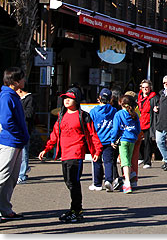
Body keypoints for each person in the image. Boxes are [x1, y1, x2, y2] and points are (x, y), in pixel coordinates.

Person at [38, 87, 103, 223]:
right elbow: (55, 133)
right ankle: (74, 209)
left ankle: (77, 210)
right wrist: (47, 148)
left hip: (77, 152)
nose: (66, 100)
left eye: (70, 98)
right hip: (65, 153)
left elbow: (92, 134)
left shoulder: (83, 116)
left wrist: (97, 151)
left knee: (74, 182)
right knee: (68, 182)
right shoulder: (62, 115)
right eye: (64, 98)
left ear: (76, 100)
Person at [0, 68, 29, 220]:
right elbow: (6, 121)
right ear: (15, 82)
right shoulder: (6, 96)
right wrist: (19, 134)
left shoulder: (13, 95)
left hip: (16, 142)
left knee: (11, 178)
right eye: (22, 79)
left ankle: (5, 209)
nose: (25, 81)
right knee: (3, 176)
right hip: (9, 141)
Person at [89, 88, 118, 192]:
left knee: (96, 161)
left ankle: (97, 184)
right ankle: (109, 181)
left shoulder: (93, 111)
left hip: (97, 140)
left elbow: (90, 126)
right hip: (109, 139)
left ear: (99, 98)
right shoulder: (114, 110)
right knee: (108, 161)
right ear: (110, 99)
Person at [111, 95, 141, 193]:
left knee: (124, 162)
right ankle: (131, 175)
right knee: (129, 158)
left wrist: (113, 140)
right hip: (132, 139)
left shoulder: (119, 114)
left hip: (123, 139)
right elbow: (138, 129)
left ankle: (127, 182)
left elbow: (115, 129)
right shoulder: (134, 115)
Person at [16, 81, 35, 184]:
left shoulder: (29, 99)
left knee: (24, 152)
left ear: (20, 90)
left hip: (25, 129)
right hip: (19, 128)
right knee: (19, 152)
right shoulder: (19, 99)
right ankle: (24, 168)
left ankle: (22, 175)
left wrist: (17, 112)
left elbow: (29, 114)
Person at [137, 79, 156, 169]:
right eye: (143, 87)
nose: (145, 89)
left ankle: (147, 161)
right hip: (139, 122)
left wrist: (157, 108)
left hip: (149, 122)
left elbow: (157, 106)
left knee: (147, 142)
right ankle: (140, 157)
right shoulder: (139, 97)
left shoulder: (154, 97)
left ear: (150, 88)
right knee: (137, 141)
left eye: (147, 87)